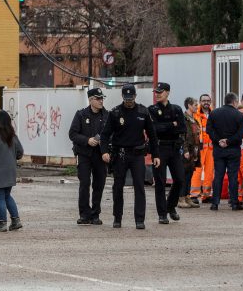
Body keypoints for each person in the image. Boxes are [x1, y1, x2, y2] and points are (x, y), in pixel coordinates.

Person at [100, 84, 159, 230]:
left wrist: (156, 155)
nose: (129, 101)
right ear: (122, 97)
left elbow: (152, 135)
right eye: (126, 99)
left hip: (137, 155)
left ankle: (139, 219)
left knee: (139, 187)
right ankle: (117, 218)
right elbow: (105, 135)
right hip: (120, 154)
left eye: (131, 98)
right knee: (118, 187)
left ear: (135, 96)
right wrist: (104, 151)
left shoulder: (143, 112)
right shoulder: (115, 113)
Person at [68, 87, 109, 225]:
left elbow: (112, 134)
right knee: (85, 183)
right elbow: (72, 134)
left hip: (100, 155)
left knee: (99, 184)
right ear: (91, 100)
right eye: (98, 99)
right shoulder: (81, 115)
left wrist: (105, 144)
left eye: (102, 98)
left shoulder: (107, 116)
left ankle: (95, 214)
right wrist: (87, 140)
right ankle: (85, 214)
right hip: (84, 154)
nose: (101, 101)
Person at [148, 82, 186, 224]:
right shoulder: (152, 110)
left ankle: (171, 206)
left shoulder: (176, 109)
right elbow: (154, 129)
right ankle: (162, 213)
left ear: (168, 92)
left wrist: (165, 126)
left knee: (180, 179)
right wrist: (171, 124)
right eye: (156, 92)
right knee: (160, 181)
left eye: (160, 92)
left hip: (174, 148)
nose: (157, 94)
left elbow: (182, 128)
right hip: (159, 148)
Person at [206, 92, 243, 211]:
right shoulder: (239, 116)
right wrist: (228, 141)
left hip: (218, 150)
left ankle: (215, 203)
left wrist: (218, 140)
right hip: (233, 150)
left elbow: (209, 130)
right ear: (234, 102)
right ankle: (234, 203)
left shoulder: (214, 113)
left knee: (218, 175)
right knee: (233, 176)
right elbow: (240, 134)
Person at [190, 94, 214, 204]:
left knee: (209, 172)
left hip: (211, 148)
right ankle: (194, 195)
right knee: (197, 171)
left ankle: (206, 195)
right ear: (200, 102)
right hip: (199, 148)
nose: (206, 102)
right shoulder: (195, 114)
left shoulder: (213, 114)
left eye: (208, 100)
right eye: (204, 100)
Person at [178, 97, 201, 209]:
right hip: (187, 151)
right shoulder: (184, 119)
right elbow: (182, 136)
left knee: (189, 175)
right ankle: (181, 198)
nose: (197, 107)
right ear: (189, 105)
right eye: (195, 105)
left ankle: (187, 197)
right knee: (183, 175)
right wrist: (185, 150)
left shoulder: (193, 120)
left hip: (193, 151)